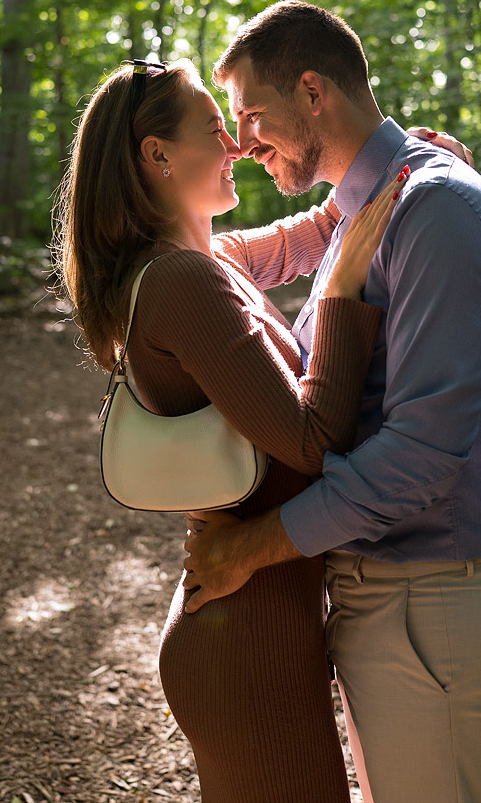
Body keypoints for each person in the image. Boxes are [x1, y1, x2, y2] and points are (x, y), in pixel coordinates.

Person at [183, 1, 481, 803]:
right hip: (390, 588)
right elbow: (207, 268)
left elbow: (422, 451)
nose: (241, 142)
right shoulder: (371, 202)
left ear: (312, 92)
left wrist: (250, 549)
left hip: (433, 597)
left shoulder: (432, 212)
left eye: (250, 114)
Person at [55, 55, 411, 803]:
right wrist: (344, 293)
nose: (239, 145)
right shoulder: (183, 281)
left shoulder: (196, 261)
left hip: (253, 630)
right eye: (216, 128)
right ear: (157, 155)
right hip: (244, 646)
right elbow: (313, 441)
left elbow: (311, 232)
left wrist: (394, 166)